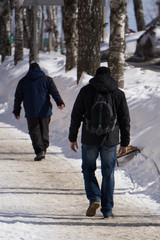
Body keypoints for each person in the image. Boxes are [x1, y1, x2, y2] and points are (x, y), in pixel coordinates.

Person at [69, 67, 130, 218]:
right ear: (111, 77)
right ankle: (107, 209)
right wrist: (125, 142)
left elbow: (76, 115)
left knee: (88, 169)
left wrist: (72, 137)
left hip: (89, 138)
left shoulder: (86, 91)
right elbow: (124, 119)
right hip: (110, 139)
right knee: (108, 173)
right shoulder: (118, 93)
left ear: (95, 76)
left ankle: (95, 198)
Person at [13, 62, 65, 161]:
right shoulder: (47, 80)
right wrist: (59, 102)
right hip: (45, 110)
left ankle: (40, 150)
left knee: (34, 131)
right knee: (44, 130)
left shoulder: (23, 82)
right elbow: (54, 92)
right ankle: (43, 148)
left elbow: (18, 97)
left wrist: (17, 111)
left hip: (31, 111)